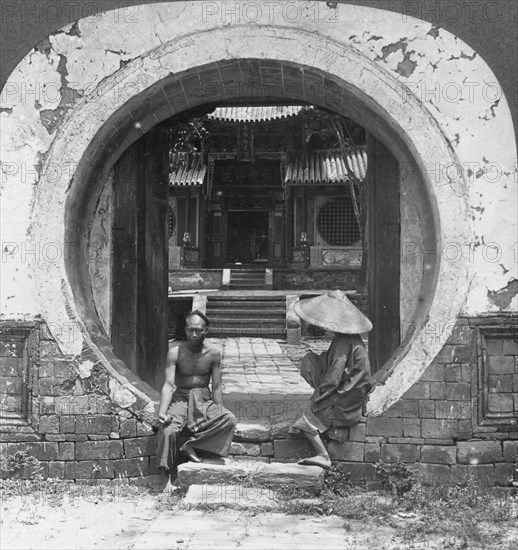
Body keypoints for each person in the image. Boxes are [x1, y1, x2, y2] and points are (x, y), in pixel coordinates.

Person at [290, 290, 373, 470]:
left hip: (346, 396)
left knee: (306, 423)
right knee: (311, 359)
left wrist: (320, 397)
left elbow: (334, 376)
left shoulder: (343, 342)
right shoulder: (350, 339)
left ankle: (322, 455)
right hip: (352, 390)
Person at [156, 310, 237, 489]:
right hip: (181, 399)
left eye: (199, 330)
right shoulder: (175, 353)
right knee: (169, 431)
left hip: (203, 398)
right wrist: (162, 412)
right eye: (190, 329)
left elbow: (216, 386)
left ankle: (190, 446)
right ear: (185, 330)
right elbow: (169, 384)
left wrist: (218, 412)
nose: (194, 334)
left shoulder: (213, 354)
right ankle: (165, 476)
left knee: (229, 419)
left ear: (206, 330)